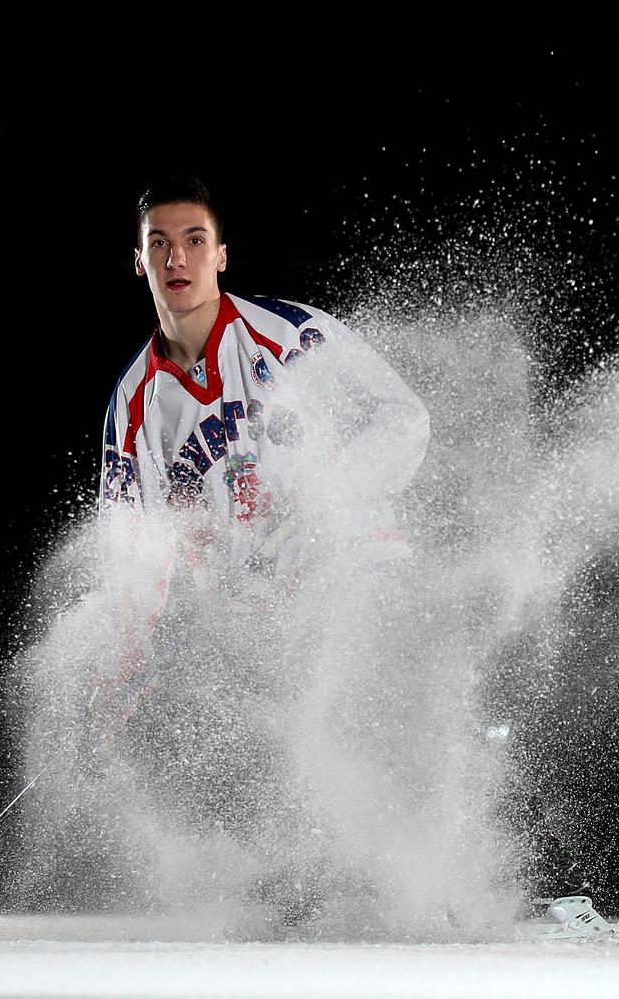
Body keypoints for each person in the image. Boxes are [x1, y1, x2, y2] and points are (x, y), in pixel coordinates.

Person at [91, 174, 431, 739]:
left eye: (195, 240)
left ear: (221, 255)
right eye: (159, 243)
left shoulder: (291, 335)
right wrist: (124, 662)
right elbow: (132, 551)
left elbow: (404, 417)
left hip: (355, 573)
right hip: (261, 636)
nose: (177, 258)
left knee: (371, 733)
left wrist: (329, 497)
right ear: (139, 261)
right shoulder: (134, 408)